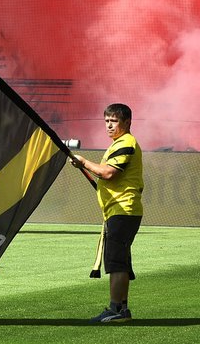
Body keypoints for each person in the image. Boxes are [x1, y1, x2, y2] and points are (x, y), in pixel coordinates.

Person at [70, 103, 143, 324]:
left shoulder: (126, 143)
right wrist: (84, 166)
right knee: (120, 261)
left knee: (116, 262)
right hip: (120, 210)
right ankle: (122, 309)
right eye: (107, 121)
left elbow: (108, 173)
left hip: (122, 210)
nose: (109, 125)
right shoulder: (118, 144)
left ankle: (115, 310)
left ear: (127, 122)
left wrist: (83, 161)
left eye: (114, 121)